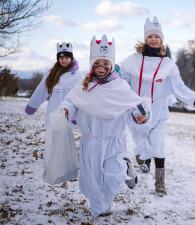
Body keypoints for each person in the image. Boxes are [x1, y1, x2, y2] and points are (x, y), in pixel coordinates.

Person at [60, 35, 151, 218]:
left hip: (113, 141)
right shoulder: (84, 86)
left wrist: (140, 116)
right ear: (92, 64)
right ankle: (101, 207)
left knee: (112, 176)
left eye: (105, 63)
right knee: (90, 179)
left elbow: (134, 107)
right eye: (97, 63)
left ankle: (123, 171)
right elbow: (71, 101)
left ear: (111, 64)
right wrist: (65, 110)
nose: (101, 67)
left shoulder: (120, 86)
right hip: (90, 141)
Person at [121, 16, 195, 196]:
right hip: (136, 113)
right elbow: (122, 83)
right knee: (140, 142)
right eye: (150, 36)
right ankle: (142, 159)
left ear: (161, 40)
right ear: (145, 39)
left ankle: (160, 182)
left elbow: (179, 87)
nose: (153, 39)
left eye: (157, 36)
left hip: (158, 113)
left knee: (158, 144)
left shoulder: (168, 65)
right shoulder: (132, 61)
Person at [25, 42, 83, 129]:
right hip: (53, 111)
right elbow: (41, 91)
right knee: (52, 137)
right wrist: (32, 105)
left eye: (67, 58)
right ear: (58, 59)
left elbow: (82, 96)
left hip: (69, 113)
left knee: (66, 138)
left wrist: (77, 114)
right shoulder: (51, 74)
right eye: (61, 58)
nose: (64, 60)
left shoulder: (78, 75)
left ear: (71, 58)